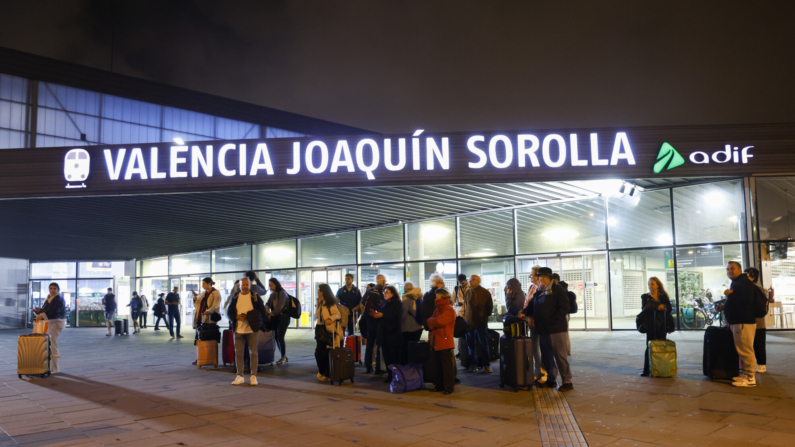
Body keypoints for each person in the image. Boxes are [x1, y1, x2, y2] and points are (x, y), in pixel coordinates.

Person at [520, 267, 572, 391]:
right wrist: (523, 313)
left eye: (542, 276)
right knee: (547, 356)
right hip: (543, 329)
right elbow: (532, 305)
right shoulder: (539, 291)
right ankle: (551, 379)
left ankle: (567, 382)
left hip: (556, 329)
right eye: (538, 277)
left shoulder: (557, 289)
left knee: (560, 356)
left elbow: (564, 308)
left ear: (549, 278)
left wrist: (553, 320)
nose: (539, 279)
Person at [716, 261, 758, 387]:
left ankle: (750, 378)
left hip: (743, 322)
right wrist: (724, 306)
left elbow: (747, 300)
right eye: (728, 269)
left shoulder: (744, 282)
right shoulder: (738, 282)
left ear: (740, 270)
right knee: (742, 349)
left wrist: (731, 294)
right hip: (738, 322)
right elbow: (738, 301)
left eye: (732, 269)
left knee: (745, 350)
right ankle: (746, 374)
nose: (729, 271)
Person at [227, 277, 268, 386]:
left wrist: (253, 317)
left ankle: (253, 376)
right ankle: (239, 376)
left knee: (253, 353)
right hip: (238, 329)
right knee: (238, 354)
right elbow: (229, 312)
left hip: (252, 329)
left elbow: (262, 311)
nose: (245, 287)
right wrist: (235, 317)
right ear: (239, 285)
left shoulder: (255, 296)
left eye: (247, 284)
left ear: (250, 285)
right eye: (243, 284)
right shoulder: (235, 297)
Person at [639, 277, 673, 377]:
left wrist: (664, 307)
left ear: (658, 285)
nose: (650, 286)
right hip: (650, 324)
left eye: (652, 284)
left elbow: (669, 308)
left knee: (662, 345)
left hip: (662, 324)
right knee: (649, 346)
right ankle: (646, 370)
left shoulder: (663, 296)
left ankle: (661, 367)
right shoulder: (645, 297)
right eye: (649, 284)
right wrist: (657, 306)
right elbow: (644, 309)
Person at [427, 288, 456, 395]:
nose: (435, 299)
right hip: (436, 340)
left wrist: (431, 321)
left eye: (437, 297)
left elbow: (439, 321)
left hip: (444, 340)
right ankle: (439, 384)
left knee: (446, 365)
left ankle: (449, 386)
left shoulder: (448, 309)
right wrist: (432, 321)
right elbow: (434, 321)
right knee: (437, 364)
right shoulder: (438, 309)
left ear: (443, 298)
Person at [745, 267, 774, 374]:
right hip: (748, 321)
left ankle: (761, 364)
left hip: (757, 321)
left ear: (753, 277)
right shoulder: (744, 288)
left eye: (746, 275)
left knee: (759, 343)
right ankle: (752, 364)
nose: (744, 278)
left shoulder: (760, 290)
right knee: (748, 344)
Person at [33, 283, 66, 374]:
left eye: (54, 288)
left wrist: (41, 315)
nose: (52, 290)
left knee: (52, 344)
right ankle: (50, 366)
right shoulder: (50, 298)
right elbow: (48, 310)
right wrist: (39, 311)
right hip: (51, 322)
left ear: (58, 289)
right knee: (49, 344)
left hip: (56, 323)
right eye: (50, 288)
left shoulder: (59, 298)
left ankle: (55, 368)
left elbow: (54, 311)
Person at [463, 275, 494, 374]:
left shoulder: (485, 292)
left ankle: (486, 365)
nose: (470, 281)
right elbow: (466, 306)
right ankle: (473, 364)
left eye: (472, 280)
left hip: (481, 322)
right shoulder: (467, 292)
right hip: (469, 322)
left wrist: (483, 315)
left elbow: (489, 308)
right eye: (469, 279)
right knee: (470, 345)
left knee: (483, 344)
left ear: (478, 281)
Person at [374, 285, 404, 383]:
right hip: (384, 333)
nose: (385, 294)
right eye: (384, 292)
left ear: (393, 293)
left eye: (387, 292)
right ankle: (390, 375)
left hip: (393, 333)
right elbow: (381, 312)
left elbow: (396, 316)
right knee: (386, 356)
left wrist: (383, 315)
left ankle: (397, 376)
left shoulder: (397, 303)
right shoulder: (383, 303)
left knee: (394, 356)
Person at [315, 283, 342, 382]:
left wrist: (330, 319)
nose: (317, 292)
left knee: (325, 352)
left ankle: (327, 373)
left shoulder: (330, 303)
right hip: (319, 327)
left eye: (319, 290)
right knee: (318, 352)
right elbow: (318, 315)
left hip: (328, 329)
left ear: (323, 292)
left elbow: (337, 315)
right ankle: (323, 371)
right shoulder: (320, 302)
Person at [192, 277, 221, 364]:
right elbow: (196, 305)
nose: (202, 285)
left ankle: (209, 358)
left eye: (204, 284)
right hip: (200, 319)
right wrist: (195, 297)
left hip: (209, 319)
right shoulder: (203, 293)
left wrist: (208, 311)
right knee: (199, 338)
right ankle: (201, 357)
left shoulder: (215, 293)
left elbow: (216, 305)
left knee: (208, 338)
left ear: (209, 284)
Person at [363, 275, 386, 374]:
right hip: (380, 321)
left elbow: (363, 302)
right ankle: (379, 367)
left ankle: (368, 366)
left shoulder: (369, 291)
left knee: (370, 344)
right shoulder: (385, 291)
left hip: (370, 320)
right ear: (384, 281)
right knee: (380, 344)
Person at [266, 277, 291, 365]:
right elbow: (268, 303)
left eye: (271, 285)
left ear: (276, 284)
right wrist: (266, 307)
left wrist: (271, 314)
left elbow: (280, 307)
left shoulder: (282, 293)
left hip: (283, 318)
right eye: (269, 286)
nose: (270, 287)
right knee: (276, 336)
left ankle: (283, 356)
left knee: (280, 336)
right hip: (276, 318)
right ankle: (283, 355)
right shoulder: (273, 294)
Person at [401, 281, 424, 365]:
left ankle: (407, 366)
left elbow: (403, 315)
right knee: (415, 347)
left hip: (408, 327)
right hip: (418, 326)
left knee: (406, 348)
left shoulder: (405, 300)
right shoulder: (419, 297)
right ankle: (415, 366)